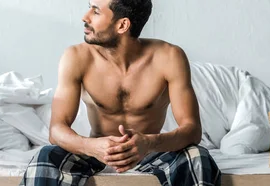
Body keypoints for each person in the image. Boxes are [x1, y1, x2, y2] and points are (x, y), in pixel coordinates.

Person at [19, 0, 221, 185]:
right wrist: (92, 147)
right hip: (93, 153)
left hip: (151, 152)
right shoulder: (76, 57)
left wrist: (148, 143)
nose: (85, 17)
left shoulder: (168, 57)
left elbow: (192, 130)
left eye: (95, 11)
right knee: (46, 156)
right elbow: (56, 130)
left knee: (197, 156)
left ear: (122, 25)